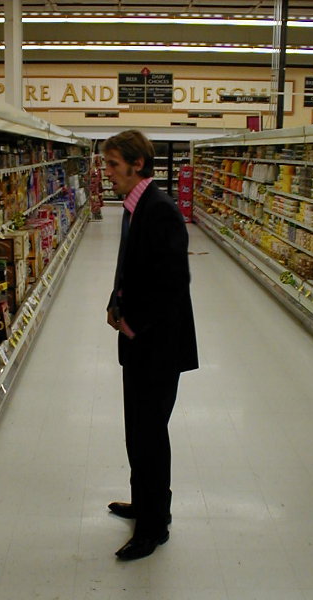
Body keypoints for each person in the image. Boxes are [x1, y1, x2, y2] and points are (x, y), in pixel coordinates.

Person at [103, 130, 199, 561]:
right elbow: (130, 266)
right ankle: (144, 502)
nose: (107, 173)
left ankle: (154, 526)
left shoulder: (160, 210)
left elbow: (173, 285)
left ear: (137, 163)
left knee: (150, 433)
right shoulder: (135, 207)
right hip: (140, 341)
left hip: (157, 344)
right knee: (137, 430)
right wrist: (115, 301)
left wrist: (134, 323)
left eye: (113, 164)